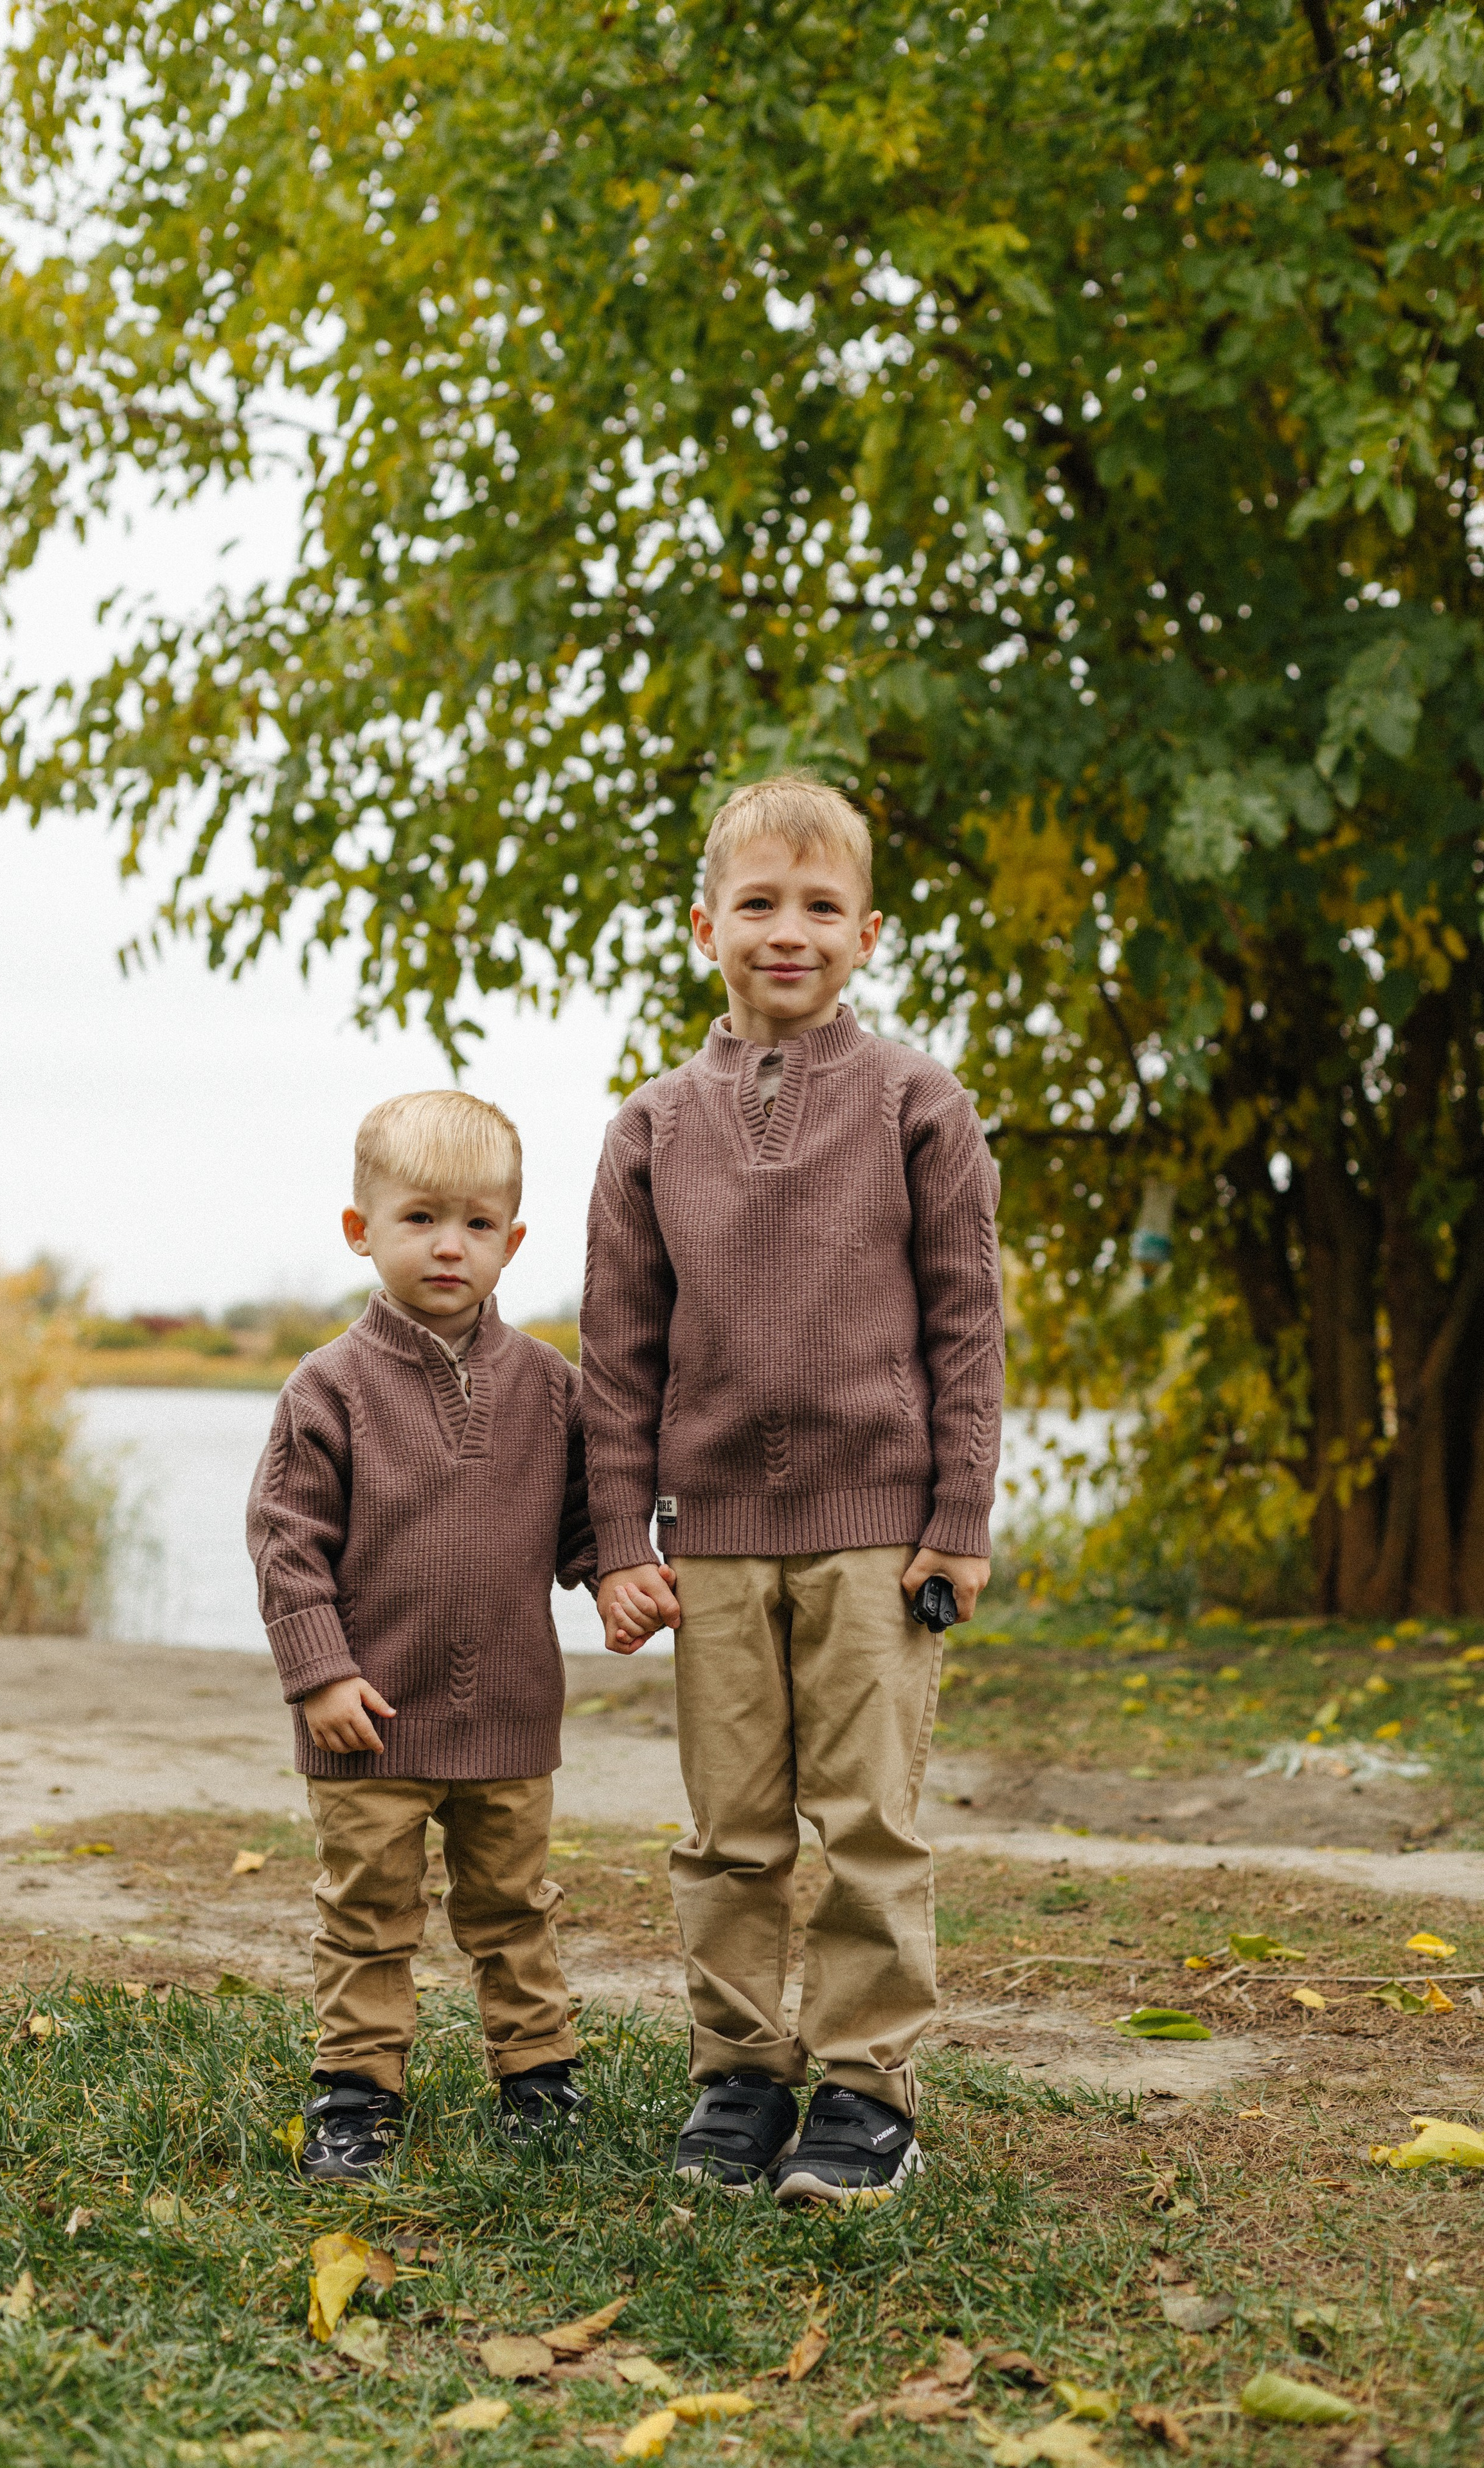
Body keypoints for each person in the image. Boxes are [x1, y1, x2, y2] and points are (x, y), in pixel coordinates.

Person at [580, 775, 1004, 2205]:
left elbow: (963, 1322)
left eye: (819, 907)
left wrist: (957, 1519)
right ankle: (739, 2073)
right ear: (703, 925)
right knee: (731, 1829)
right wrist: (614, 1539)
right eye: (756, 903)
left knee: (868, 1815)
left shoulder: (913, 1104)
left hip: (876, 1531)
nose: (787, 930)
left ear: (866, 932)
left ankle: (865, 2087)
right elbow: (617, 1348)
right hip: (709, 1543)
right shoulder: (647, 1127)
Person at [247, 1089, 597, 2182]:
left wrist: (619, 1575)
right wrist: (320, 1676)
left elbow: (588, 1516)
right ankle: (357, 2093)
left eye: (479, 1224)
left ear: (512, 1241)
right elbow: (285, 1544)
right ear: (364, 1230)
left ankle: (537, 2078)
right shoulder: (329, 1389)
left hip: (506, 1717)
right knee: (368, 1912)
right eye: (421, 1219)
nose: (451, 1245)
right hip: (370, 1721)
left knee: (512, 1908)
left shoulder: (549, 1386)